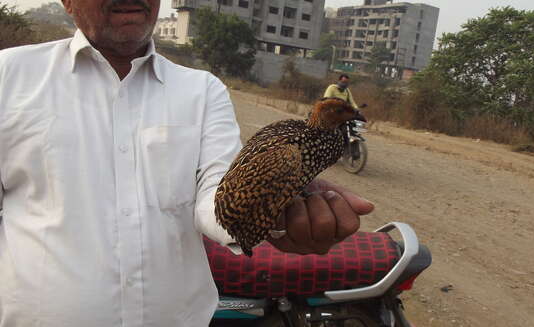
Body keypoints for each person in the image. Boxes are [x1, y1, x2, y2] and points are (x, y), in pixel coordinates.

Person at [0, 0, 374, 326]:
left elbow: (217, 196)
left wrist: (273, 216)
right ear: (67, 1)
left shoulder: (203, 90)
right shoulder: (9, 76)